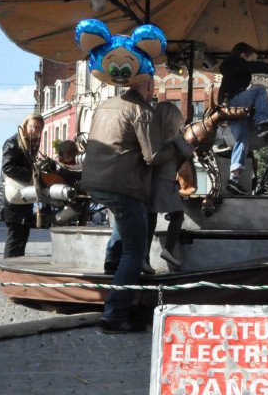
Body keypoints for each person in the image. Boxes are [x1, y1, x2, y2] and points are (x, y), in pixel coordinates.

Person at [82, 70, 192, 334]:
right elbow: (153, 156)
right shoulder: (141, 110)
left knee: (124, 226)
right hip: (124, 184)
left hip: (95, 180)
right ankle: (115, 315)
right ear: (150, 85)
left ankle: (111, 263)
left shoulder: (105, 105)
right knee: (134, 252)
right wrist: (174, 145)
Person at [217, 42, 268, 194]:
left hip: (231, 107)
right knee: (259, 90)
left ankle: (233, 180)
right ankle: (263, 124)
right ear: (243, 56)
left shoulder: (232, 70)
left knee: (242, 141)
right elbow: (257, 67)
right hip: (235, 102)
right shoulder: (236, 62)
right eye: (252, 59)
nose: (253, 62)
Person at [146, 102, 187, 271]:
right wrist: (180, 136)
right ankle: (168, 250)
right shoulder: (173, 136)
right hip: (166, 181)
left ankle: (144, 258)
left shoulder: (151, 134)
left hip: (151, 181)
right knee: (178, 215)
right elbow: (188, 151)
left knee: (150, 217)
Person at [1, 114, 44, 258]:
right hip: (12, 196)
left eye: (38, 128)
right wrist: (32, 173)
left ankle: (15, 267)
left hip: (23, 195)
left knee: (22, 236)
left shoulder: (30, 144)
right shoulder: (13, 142)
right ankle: (8, 268)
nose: (34, 130)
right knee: (15, 237)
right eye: (32, 126)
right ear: (25, 125)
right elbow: (7, 167)